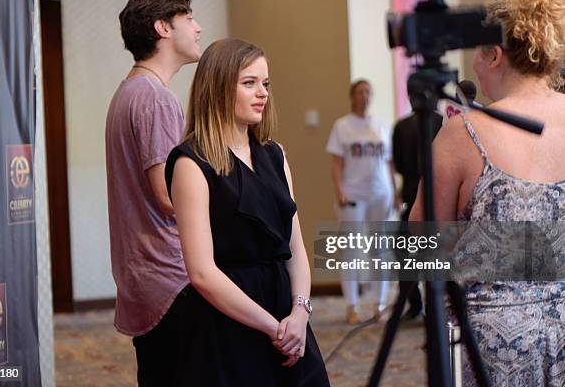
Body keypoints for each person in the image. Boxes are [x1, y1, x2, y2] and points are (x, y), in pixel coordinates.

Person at [410, 0, 565, 385]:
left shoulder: (464, 133)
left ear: (494, 54)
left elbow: (420, 237)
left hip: (493, 347)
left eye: (477, 57)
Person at [165, 38, 330, 387]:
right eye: (249, 83)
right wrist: (273, 327)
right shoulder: (191, 163)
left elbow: (295, 248)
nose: (263, 93)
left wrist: (300, 313)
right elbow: (202, 273)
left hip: (287, 316)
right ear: (219, 87)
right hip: (228, 323)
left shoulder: (275, 155)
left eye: (266, 84)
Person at [104, 0, 201, 387]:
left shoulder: (129, 91)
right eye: (189, 18)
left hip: (146, 275)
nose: (198, 28)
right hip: (169, 276)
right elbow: (167, 195)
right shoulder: (156, 99)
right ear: (163, 28)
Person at [326, 79, 399, 324]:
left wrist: (395, 192)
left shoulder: (381, 126)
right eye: (360, 91)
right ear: (352, 95)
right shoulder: (342, 126)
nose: (365, 96)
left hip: (381, 193)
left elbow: (389, 162)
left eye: (368, 91)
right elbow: (336, 163)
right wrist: (339, 190)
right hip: (353, 194)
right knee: (352, 249)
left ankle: (379, 304)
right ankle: (352, 306)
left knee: (380, 249)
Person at [392, 111, 442, 320]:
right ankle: (418, 304)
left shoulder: (403, 126)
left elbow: (400, 163)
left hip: (428, 196)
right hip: (428, 196)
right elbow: (399, 162)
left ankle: (422, 304)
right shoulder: (442, 122)